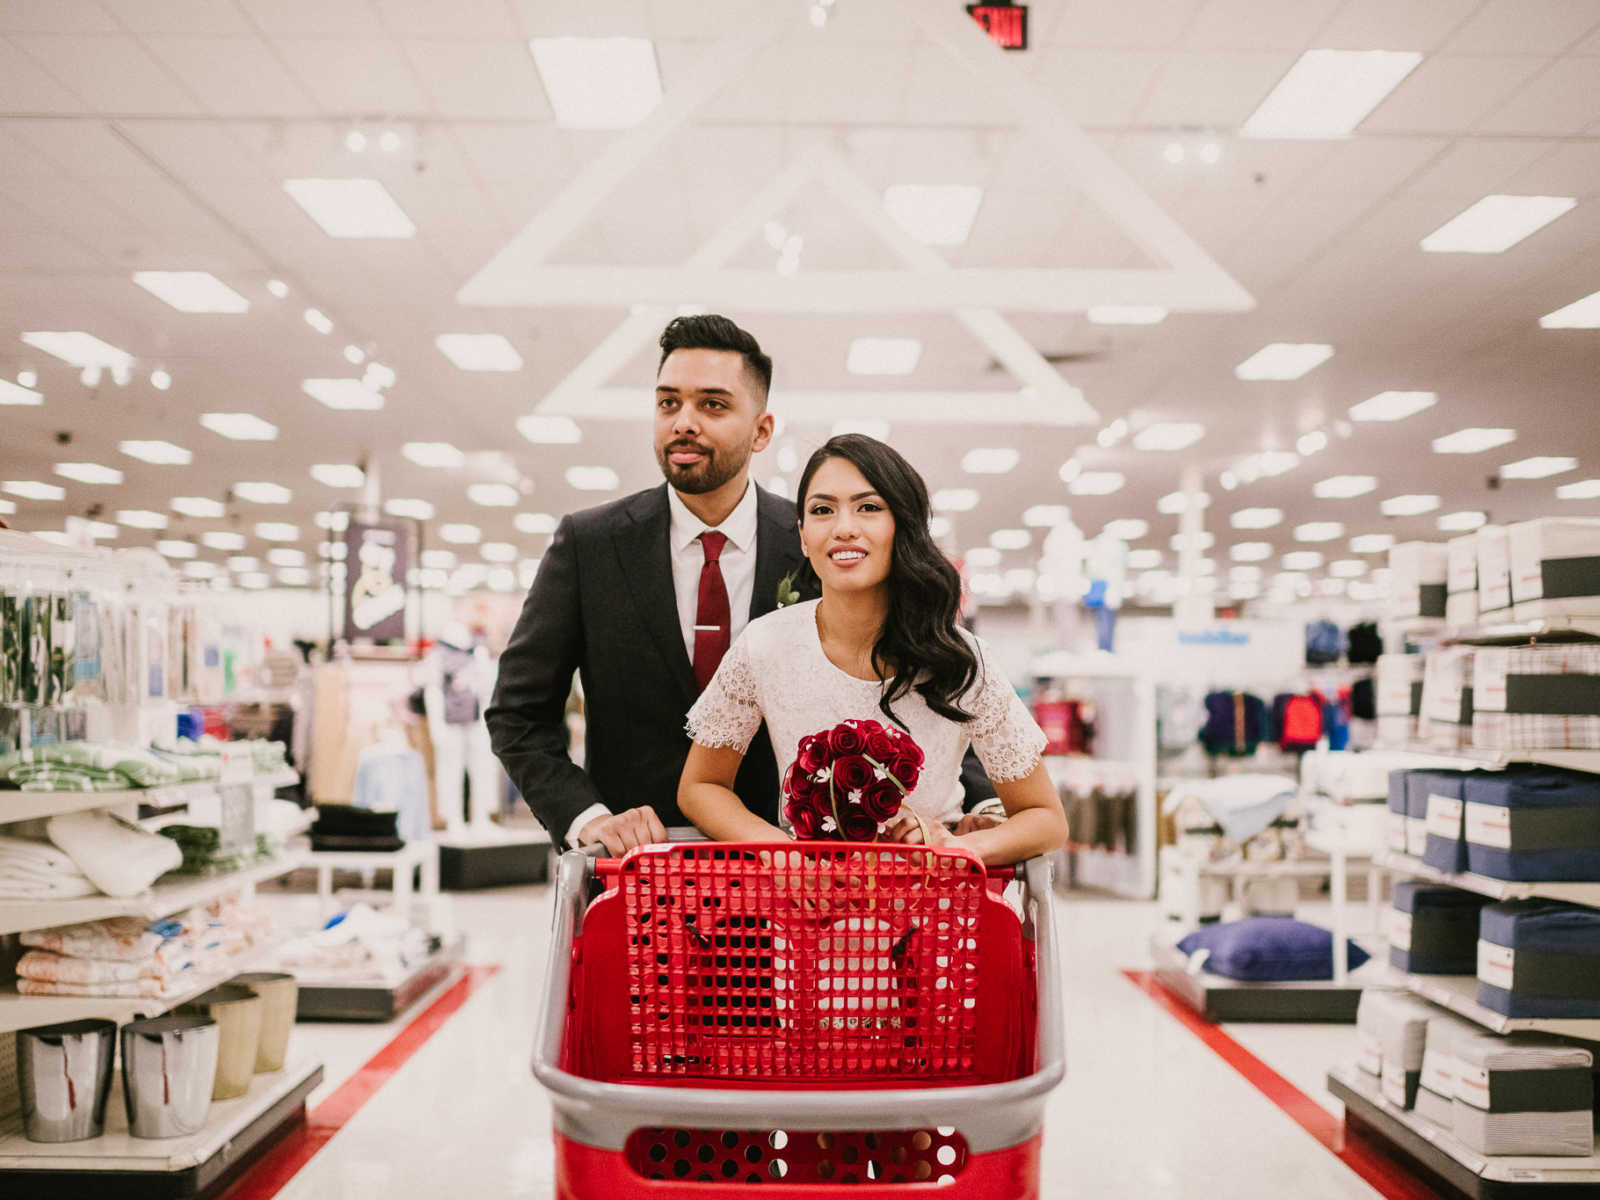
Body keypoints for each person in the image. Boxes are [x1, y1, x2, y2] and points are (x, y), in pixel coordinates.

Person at [487, 316, 1002, 856]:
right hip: (634, 873)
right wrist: (586, 816)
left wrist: (984, 805)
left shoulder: (819, 540)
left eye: (712, 404)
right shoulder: (590, 545)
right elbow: (518, 712)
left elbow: (922, 673)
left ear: (761, 430)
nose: (684, 422)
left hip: (798, 877)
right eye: (668, 403)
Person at [679, 435, 1068, 866]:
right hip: (806, 908)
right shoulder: (765, 644)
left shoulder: (962, 658)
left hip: (937, 912)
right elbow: (701, 786)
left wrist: (957, 848)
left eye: (868, 507)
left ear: (902, 525)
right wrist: (779, 853)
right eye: (822, 510)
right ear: (804, 538)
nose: (844, 526)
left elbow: (1045, 817)